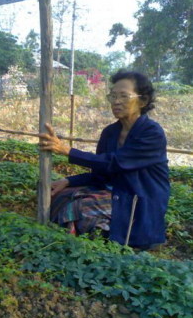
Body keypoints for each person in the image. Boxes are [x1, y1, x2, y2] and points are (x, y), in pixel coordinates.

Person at [39, 70, 170, 249]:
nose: (116, 102)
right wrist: (67, 181)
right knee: (60, 195)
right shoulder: (110, 133)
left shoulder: (152, 133)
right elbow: (101, 172)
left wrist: (67, 151)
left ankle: (121, 242)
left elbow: (115, 162)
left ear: (143, 101)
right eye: (113, 96)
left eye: (124, 96)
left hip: (138, 199)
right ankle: (91, 237)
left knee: (81, 208)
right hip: (114, 192)